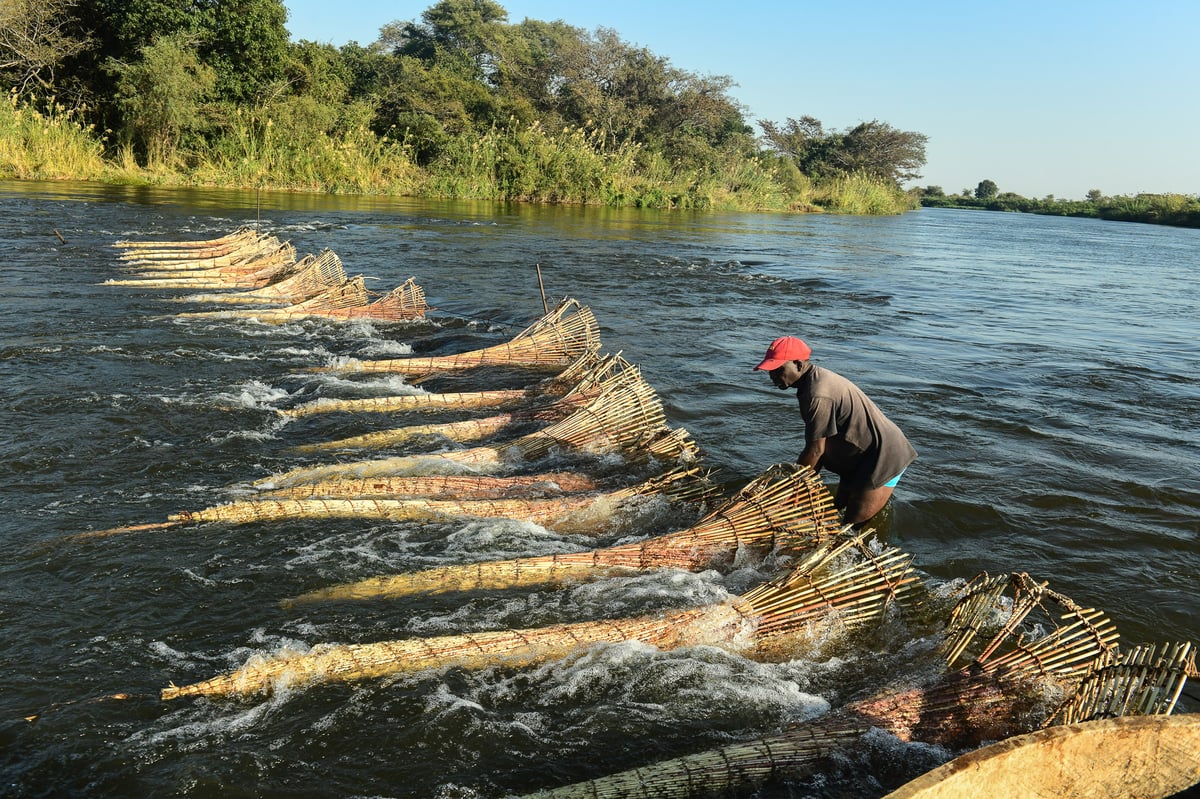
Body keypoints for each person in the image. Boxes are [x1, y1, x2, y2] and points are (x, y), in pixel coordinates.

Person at [753, 335, 916, 528]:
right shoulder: (810, 382)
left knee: (850, 529)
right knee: (834, 512)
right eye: (769, 370)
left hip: (884, 455)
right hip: (859, 455)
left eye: (777, 369)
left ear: (797, 364)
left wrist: (793, 491)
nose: (772, 376)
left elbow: (815, 451)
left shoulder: (817, 394)